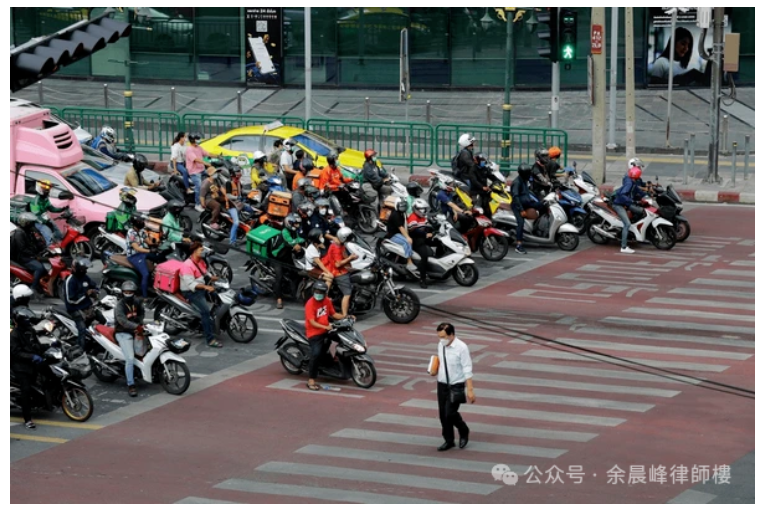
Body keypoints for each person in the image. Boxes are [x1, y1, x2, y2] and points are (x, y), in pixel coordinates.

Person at [431, 322, 475, 451]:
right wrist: (434, 369)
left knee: (450, 413)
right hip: (442, 384)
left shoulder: (462, 348)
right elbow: (441, 360)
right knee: (443, 415)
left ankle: (463, 429)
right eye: (439, 336)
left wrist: (470, 389)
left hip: (456, 385)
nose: (441, 340)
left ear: (452, 335)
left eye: (443, 337)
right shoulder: (441, 345)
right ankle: (449, 440)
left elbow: (467, 368)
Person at [304, 280, 349, 391]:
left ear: (325, 293)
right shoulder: (310, 304)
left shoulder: (327, 301)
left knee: (343, 340)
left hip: (327, 330)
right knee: (316, 354)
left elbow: (333, 314)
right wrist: (325, 327)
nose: (318, 294)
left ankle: (333, 360)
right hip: (314, 334)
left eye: (321, 292)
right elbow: (312, 322)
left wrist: (345, 316)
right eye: (317, 291)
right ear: (313, 291)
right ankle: (311, 380)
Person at [11, 307, 46, 429]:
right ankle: (28, 419)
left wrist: (50, 346)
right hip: (21, 367)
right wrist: (32, 356)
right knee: (26, 390)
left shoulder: (30, 330)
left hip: (32, 363)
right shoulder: (14, 335)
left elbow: (37, 344)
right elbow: (16, 353)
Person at [180, 241, 221, 348]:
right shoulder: (187, 265)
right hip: (191, 292)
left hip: (202, 288)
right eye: (201, 250)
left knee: (218, 299)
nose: (203, 252)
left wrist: (214, 278)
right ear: (194, 251)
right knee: (206, 312)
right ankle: (210, 339)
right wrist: (205, 287)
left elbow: (205, 273)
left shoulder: (201, 261)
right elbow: (190, 284)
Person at [64, 258, 103, 349]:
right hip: (75, 309)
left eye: (85, 269)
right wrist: (86, 294)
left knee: (102, 320)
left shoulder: (85, 277)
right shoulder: (70, 281)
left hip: (87, 307)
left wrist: (95, 291)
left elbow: (94, 286)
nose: (85, 271)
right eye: (83, 269)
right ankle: (81, 350)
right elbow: (71, 300)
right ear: (77, 269)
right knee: (82, 329)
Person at [114, 281, 144, 398]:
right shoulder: (120, 306)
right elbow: (122, 321)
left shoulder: (137, 302)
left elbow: (142, 313)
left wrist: (140, 323)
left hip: (135, 330)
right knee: (130, 359)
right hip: (123, 333)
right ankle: (131, 385)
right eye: (126, 292)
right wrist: (136, 326)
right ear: (122, 293)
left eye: (130, 292)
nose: (128, 294)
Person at [270, 213, 306, 309]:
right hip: (277, 258)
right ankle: (279, 299)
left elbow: (299, 238)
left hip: (287, 257)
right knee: (279, 278)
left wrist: (302, 241)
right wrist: (299, 241)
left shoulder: (294, 231)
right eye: (295, 224)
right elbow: (291, 242)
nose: (297, 226)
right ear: (289, 223)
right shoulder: (285, 232)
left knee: (297, 272)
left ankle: (295, 293)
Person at [322, 227, 358, 317]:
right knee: (347, 293)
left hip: (342, 269)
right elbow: (337, 264)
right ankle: (344, 315)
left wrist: (351, 259)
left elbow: (344, 254)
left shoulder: (339, 244)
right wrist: (350, 258)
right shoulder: (336, 248)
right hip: (338, 272)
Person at [510, 164, 543, 255]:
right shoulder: (517, 182)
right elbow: (515, 197)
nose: (529, 175)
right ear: (524, 174)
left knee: (542, 205)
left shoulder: (524, 180)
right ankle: (519, 245)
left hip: (527, 203)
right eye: (528, 173)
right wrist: (521, 210)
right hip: (518, 206)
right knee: (521, 223)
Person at [613, 165, 646, 254]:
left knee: (641, 212)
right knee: (627, 224)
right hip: (619, 205)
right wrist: (631, 201)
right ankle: (623, 247)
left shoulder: (632, 181)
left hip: (626, 204)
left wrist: (646, 196)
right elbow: (623, 194)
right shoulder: (629, 183)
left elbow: (638, 191)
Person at [11, 213, 46, 294]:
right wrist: (35, 255)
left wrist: (44, 247)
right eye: (30, 223)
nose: (32, 225)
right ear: (25, 223)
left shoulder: (29, 232)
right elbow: (22, 249)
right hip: (23, 257)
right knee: (40, 268)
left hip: (30, 255)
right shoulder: (19, 234)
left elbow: (36, 243)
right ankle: (33, 288)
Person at [407, 198, 438, 289]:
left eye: (425, 209)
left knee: (439, 243)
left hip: (424, 238)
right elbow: (414, 231)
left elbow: (427, 227)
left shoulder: (423, 217)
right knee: (424, 256)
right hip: (416, 240)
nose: (424, 211)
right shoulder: (412, 217)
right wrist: (425, 234)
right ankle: (422, 279)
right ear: (416, 209)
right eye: (422, 209)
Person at [386, 198, 418, 274]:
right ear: (397, 206)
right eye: (401, 205)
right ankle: (409, 263)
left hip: (399, 233)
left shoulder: (402, 213)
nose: (403, 207)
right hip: (393, 235)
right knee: (407, 242)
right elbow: (401, 228)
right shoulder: (396, 215)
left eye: (404, 205)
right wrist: (407, 237)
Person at [185, 132, 216, 212]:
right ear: (192, 140)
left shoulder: (199, 147)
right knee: (199, 187)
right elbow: (196, 159)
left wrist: (217, 155)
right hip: (194, 172)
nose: (198, 140)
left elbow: (207, 153)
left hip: (202, 170)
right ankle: (197, 204)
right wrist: (205, 163)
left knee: (214, 178)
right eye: (197, 139)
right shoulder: (189, 149)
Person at [125, 217, 155, 298]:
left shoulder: (141, 231)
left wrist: (155, 243)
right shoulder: (131, 233)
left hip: (142, 253)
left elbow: (148, 241)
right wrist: (150, 251)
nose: (142, 222)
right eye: (140, 221)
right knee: (145, 274)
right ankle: (144, 296)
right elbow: (137, 248)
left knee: (158, 257)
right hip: (134, 256)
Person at [30, 179, 66, 245]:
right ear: (40, 189)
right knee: (49, 235)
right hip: (38, 222)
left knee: (58, 232)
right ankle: (50, 249)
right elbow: (36, 215)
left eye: (48, 190)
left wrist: (61, 209)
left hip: (46, 219)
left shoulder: (45, 198)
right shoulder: (35, 201)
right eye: (46, 190)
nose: (48, 192)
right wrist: (45, 222)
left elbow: (51, 208)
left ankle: (60, 244)